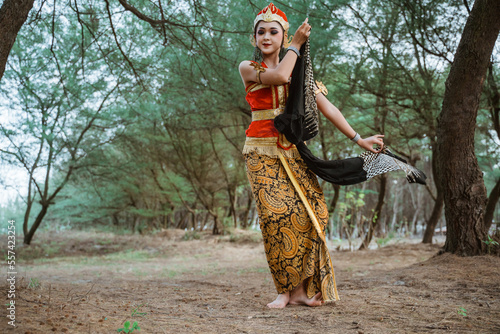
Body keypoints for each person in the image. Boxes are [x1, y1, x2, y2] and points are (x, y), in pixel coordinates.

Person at [238, 3, 384, 309]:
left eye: (273, 32)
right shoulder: (250, 68)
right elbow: (278, 76)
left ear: (284, 36)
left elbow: (327, 108)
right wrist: (296, 46)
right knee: (276, 219)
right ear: (254, 39)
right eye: (261, 32)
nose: (266, 36)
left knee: (314, 213)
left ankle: (302, 291)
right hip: (261, 153)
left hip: (291, 152)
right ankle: (283, 291)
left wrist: (359, 139)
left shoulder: (300, 75)